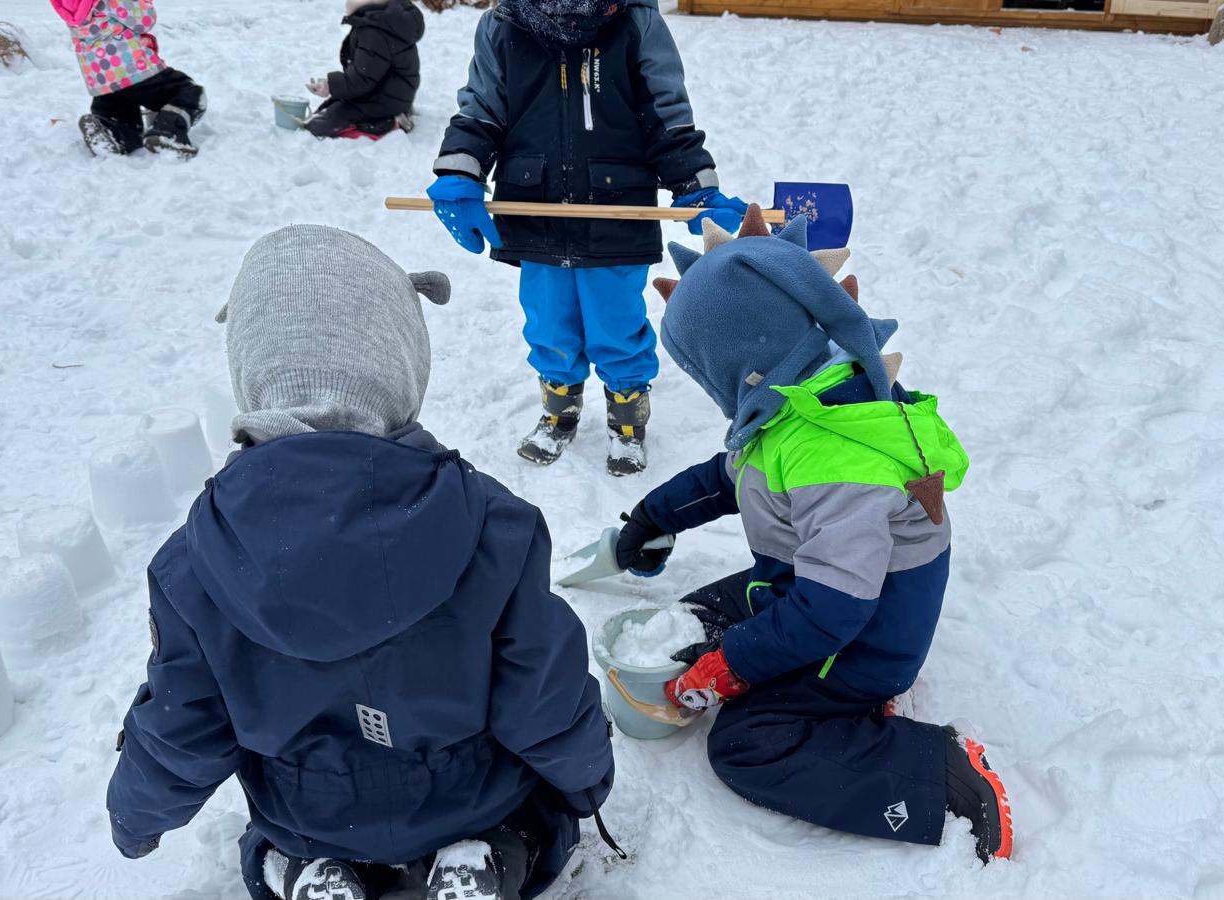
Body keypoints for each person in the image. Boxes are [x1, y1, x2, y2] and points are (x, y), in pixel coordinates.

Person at [104, 225, 616, 900]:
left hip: (311, 813)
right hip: (471, 796)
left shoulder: (193, 563)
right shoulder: (493, 525)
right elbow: (542, 696)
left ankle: (304, 871)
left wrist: (135, 819)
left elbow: (184, 720)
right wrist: (586, 783)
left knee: (273, 842)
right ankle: (488, 856)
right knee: (534, 822)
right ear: (401, 364)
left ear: (252, 369)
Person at [607, 208, 1015, 863]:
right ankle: (757, 656)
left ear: (737, 356)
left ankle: (936, 773)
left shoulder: (835, 450)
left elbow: (834, 610)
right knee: (700, 615)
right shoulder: (800, 401)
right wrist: (654, 517)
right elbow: (733, 476)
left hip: (864, 633)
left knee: (747, 743)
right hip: (821, 582)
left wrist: (731, 666)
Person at [427, 0, 748, 476]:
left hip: (615, 207)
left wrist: (695, 187)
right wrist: (460, 173)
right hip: (534, 205)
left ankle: (628, 420)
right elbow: (482, 111)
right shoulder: (502, 26)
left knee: (617, 326)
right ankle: (559, 413)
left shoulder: (635, 23)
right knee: (549, 325)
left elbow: (666, 116)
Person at [50, 0, 207, 158]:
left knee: (121, 119)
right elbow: (145, 20)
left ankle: (111, 132)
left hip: (102, 79)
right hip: (133, 68)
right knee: (189, 93)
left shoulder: (72, 4)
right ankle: (167, 132)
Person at [301, 0, 423, 140]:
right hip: (392, 95)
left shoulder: (374, 31)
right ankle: (395, 113)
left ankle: (389, 125)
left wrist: (330, 86)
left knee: (320, 125)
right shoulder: (385, 19)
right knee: (328, 109)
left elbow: (362, 79)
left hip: (382, 99)